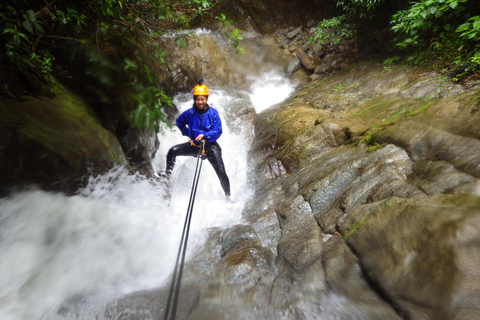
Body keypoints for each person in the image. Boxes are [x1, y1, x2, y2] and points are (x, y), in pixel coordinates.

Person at [155, 79, 231, 199]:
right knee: (173, 151)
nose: (200, 102)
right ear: (194, 99)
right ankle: (167, 175)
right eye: (198, 99)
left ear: (206, 99)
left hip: (210, 146)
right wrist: (188, 133)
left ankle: (228, 196)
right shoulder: (189, 113)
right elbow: (179, 122)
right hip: (195, 145)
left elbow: (218, 130)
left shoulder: (213, 113)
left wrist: (205, 135)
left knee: (221, 171)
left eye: (202, 99)